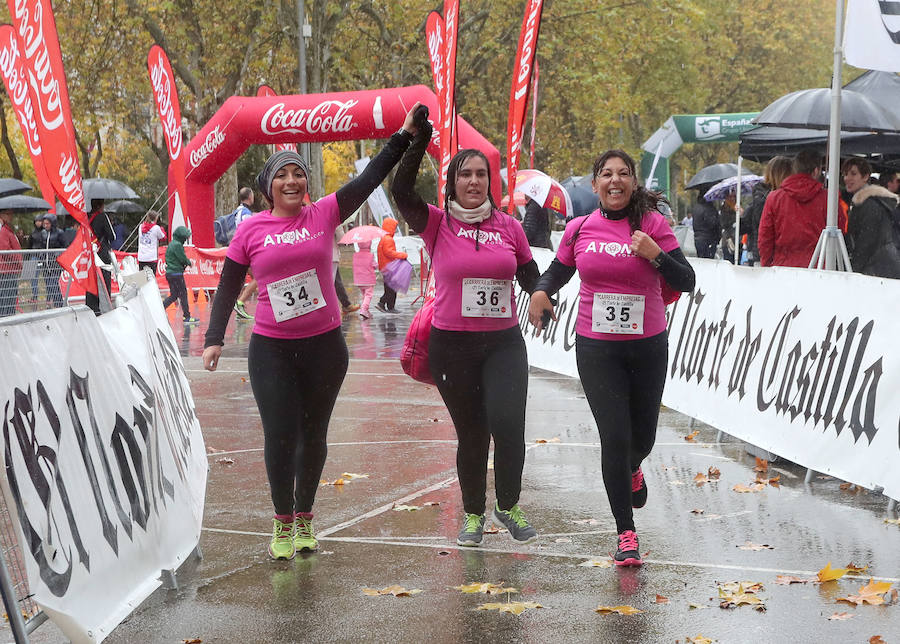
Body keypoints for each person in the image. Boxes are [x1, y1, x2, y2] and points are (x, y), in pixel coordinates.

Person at [201, 103, 422, 560]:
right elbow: (226, 287)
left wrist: (402, 136)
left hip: (324, 347)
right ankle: (283, 521)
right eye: (282, 175)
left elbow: (368, 180)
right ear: (268, 187)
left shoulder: (323, 214)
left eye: (298, 175)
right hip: (272, 350)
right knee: (280, 434)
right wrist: (214, 338)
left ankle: (306, 516)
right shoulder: (251, 231)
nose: (291, 182)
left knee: (314, 434)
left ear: (306, 183)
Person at [527, 149, 695, 566]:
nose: (615, 180)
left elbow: (687, 280)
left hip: (648, 345)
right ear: (595, 183)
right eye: (606, 174)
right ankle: (625, 533)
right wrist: (541, 291)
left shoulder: (653, 225)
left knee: (643, 438)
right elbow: (558, 272)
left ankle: (634, 465)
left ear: (633, 183)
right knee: (614, 438)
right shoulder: (580, 227)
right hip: (597, 348)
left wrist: (655, 253)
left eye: (623, 174)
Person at [391, 107, 542, 548]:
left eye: (481, 175)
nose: (474, 181)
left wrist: (539, 294)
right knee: (472, 433)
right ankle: (473, 514)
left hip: (503, 344)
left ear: (489, 183)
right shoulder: (437, 224)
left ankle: (508, 504)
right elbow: (400, 189)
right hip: (452, 346)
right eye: (465, 175)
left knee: (509, 424)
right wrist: (419, 139)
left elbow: (529, 275)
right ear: (452, 182)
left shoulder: (510, 227)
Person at [758, 148, 846, 268]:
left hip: (783, 267)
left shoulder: (774, 198)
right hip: (819, 268)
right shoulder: (828, 198)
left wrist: (766, 265)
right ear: (816, 171)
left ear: (795, 169)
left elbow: (765, 238)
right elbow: (839, 228)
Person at [843, 158, 900, 278]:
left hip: (878, 270)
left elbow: (867, 242)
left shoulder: (870, 204)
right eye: (845, 174)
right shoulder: (865, 202)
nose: (847, 178)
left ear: (865, 177)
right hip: (882, 268)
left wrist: (853, 270)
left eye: (853, 174)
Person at [744, 156, 792, 266]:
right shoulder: (766, 198)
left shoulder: (763, 196)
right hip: (768, 256)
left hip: (772, 255)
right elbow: (765, 231)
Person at [162, 226, 198, 324]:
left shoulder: (171, 244)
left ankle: (160, 309)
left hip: (170, 273)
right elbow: (182, 258)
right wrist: (188, 262)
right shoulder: (178, 245)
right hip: (176, 273)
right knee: (183, 294)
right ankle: (187, 316)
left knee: (174, 295)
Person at [85, 199, 115, 315]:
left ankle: (90, 307)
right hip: (101, 252)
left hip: (89, 253)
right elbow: (112, 236)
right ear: (100, 206)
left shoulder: (87, 218)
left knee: (91, 279)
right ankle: (104, 308)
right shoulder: (102, 217)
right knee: (104, 280)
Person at [233, 188, 258, 320]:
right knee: (259, 278)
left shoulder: (238, 210)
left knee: (258, 280)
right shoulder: (246, 213)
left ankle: (239, 306)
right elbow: (250, 232)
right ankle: (240, 302)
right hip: (246, 251)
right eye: (253, 195)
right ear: (249, 197)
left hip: (236, 250)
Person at [374, 218, 407, 313]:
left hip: (385, 268)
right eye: (394, 227)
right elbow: (390, 253)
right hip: (390, 268)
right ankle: (385, 304)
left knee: (389, 288)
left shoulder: (383, 239)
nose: (395, 229)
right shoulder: (388, 240)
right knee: (392, 289)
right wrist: (402, 255)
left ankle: (387, 306)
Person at [36, 214, 66, 307]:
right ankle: (51, 304)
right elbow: (41, 246)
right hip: (46, 265)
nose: (45, 225)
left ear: (52, 223)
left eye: (47, 223)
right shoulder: (43, 233)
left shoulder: (60, 233)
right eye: (44, 223)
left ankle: (59, 305)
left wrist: (57, 255)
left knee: (55, 285)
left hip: (55, 265)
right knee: (49, 286)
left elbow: (65, 246)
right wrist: (41, 257)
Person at [0, 209, 23, 317]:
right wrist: (18, 260)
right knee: (7, 299)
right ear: (2, 215)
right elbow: (5, 250)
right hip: (7, 270)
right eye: (8, 214)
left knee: (10, 298)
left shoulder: (8, 230)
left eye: (11, 214)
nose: (11, 216)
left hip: (10, 270)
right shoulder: (4, 231)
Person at [690, 192, 720, 258]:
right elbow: (712, 224)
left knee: (701, 259)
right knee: (709, 260)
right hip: (708, 239)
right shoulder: (709, 209)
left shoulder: (696, 208)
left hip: (698, 237)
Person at [352, 240, 377, 319]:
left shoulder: (355, 255)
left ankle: (366, 311)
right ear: (369, 245)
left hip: (359, 280)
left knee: (364, 296)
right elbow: (375, 265)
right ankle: (363, 309)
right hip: (368, 279)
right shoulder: (370, 255)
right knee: (368, 295)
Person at [138, 210, 167, 275]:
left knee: (142, 278)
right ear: (155, 218)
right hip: (151, 257)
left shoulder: (140, 227)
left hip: (141, 256)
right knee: (152, 278)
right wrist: (162, 229)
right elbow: (163, 237)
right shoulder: (156, 228)